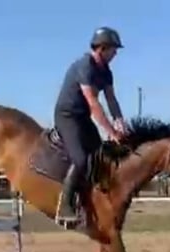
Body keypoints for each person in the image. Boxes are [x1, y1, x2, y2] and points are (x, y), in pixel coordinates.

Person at [53, 26, 127, 224]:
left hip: (83, 117)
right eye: (113, 49)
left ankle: (90, 203)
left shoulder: (106, 72)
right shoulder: (85, 66)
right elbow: (93, 103)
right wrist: (110, 131)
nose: (116, 53)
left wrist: (120, 121)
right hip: (67, 116)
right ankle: (65, 205)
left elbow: (111, 100)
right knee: (81, 160)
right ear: (102, 48)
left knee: (100, 157)